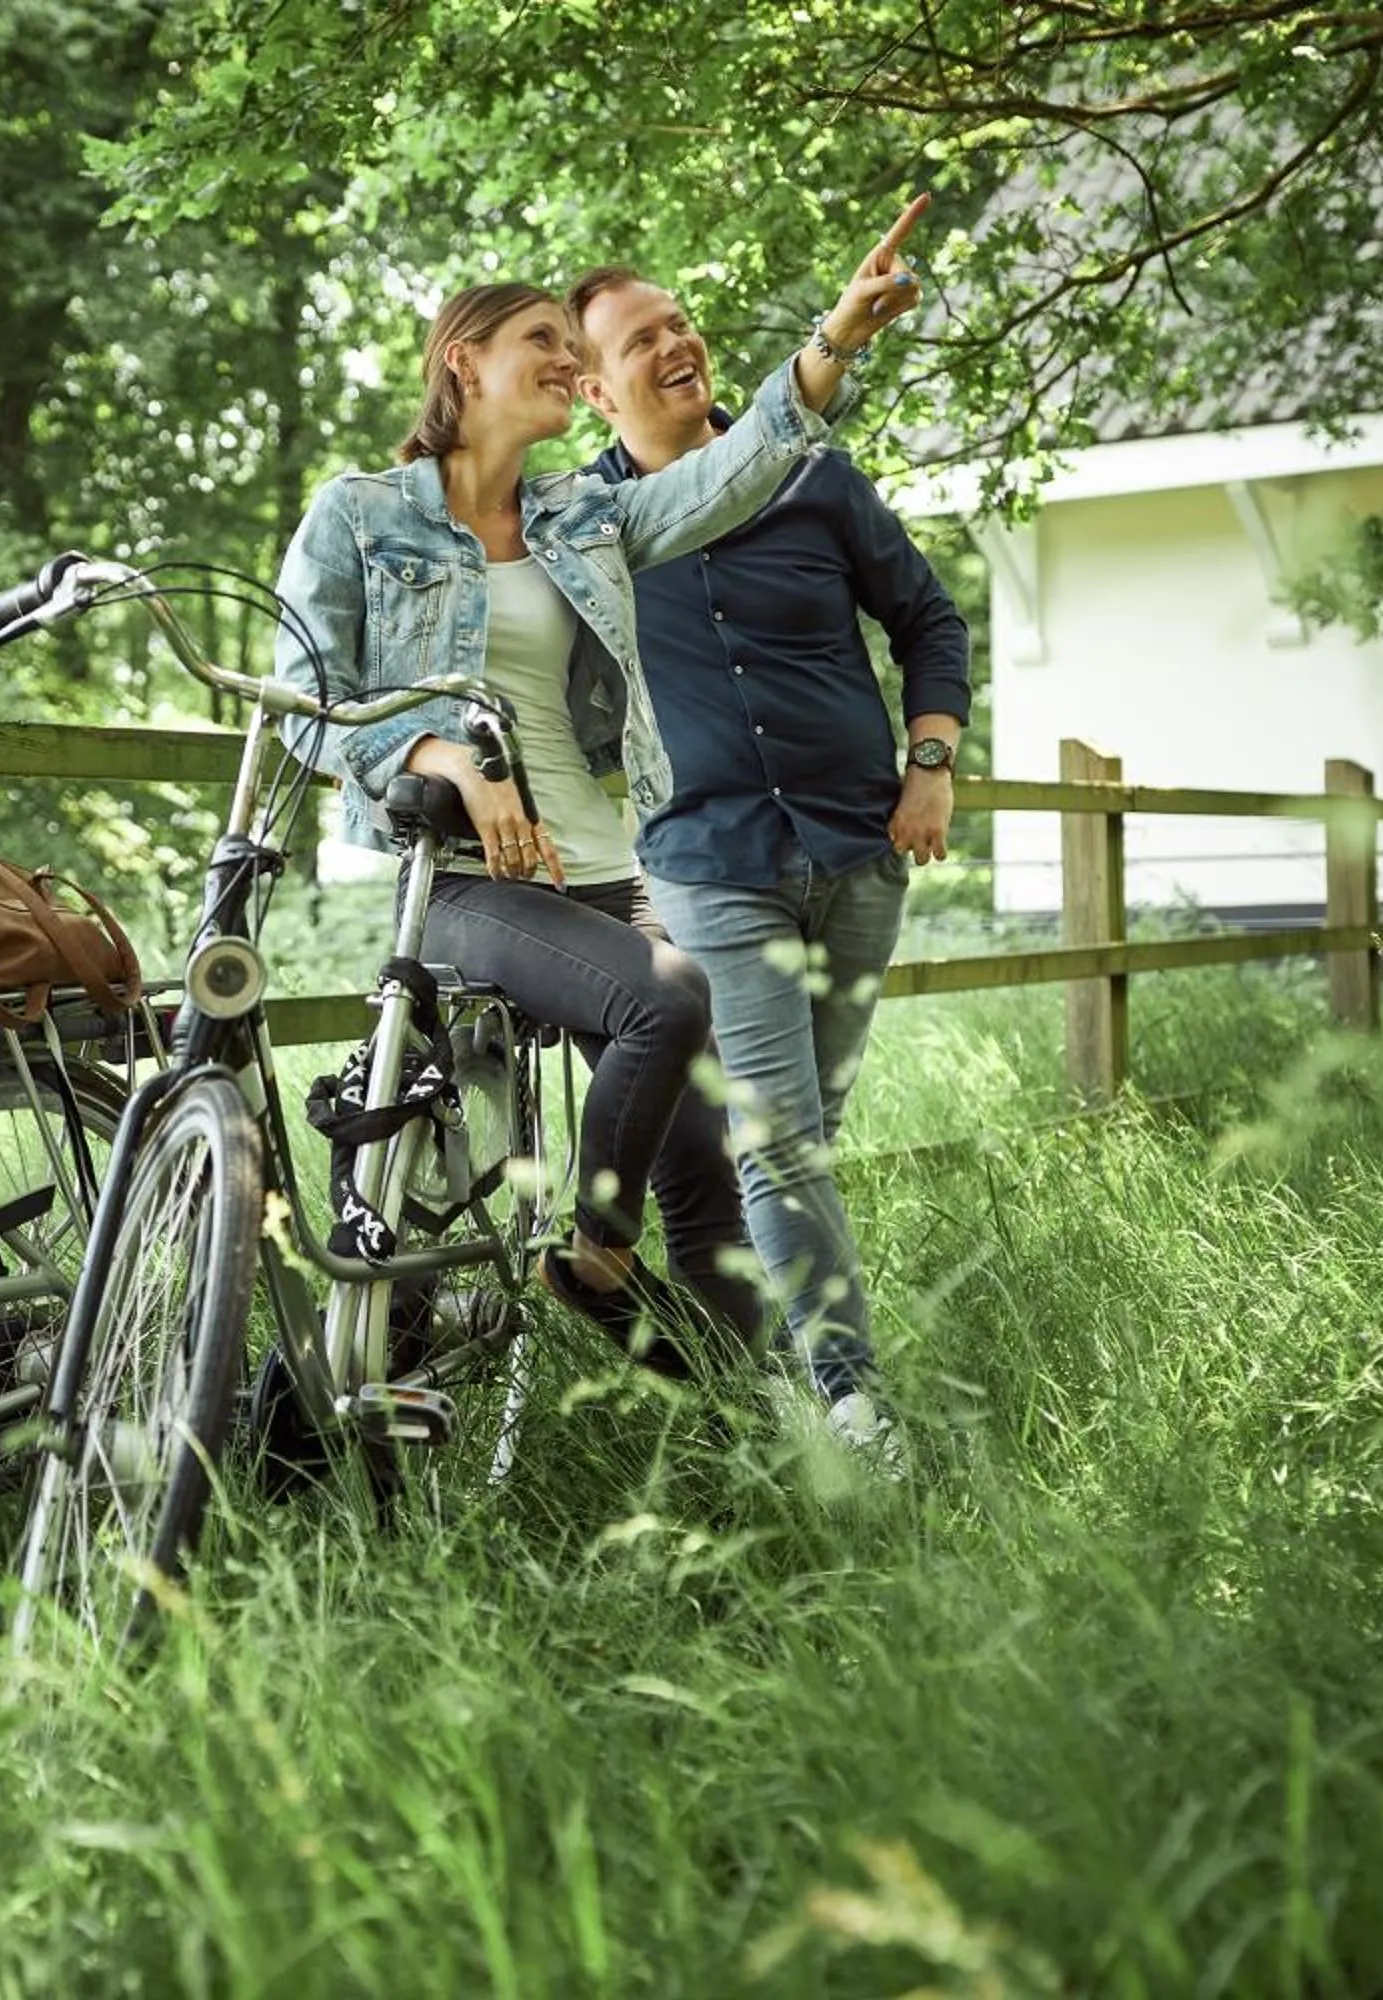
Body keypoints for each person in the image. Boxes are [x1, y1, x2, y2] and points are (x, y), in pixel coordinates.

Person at [270, 203, 929, 1374]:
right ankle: (595, 1260)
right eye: (544, 344)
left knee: (714, 1168)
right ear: (462, 362)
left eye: (577, 356)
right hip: (467, 885)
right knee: (667, 996)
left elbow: (732, 470)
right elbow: (308, 699)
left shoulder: (584, 515)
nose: (568, 369)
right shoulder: (360, 515)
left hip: (609, 871)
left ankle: (735, 1434)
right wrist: (447, 760)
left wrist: (835, 338)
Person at [565, 257, 974, 1447]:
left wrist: (932, 763)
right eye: (642, 339)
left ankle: (761, 1372)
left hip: (859, 851)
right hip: (709, 866)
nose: (678, 344)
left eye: (680, 322)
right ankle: (855, 1401)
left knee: (806, 1138)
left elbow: (928, 618)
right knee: (782, 1141)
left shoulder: (810, 474)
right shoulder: (588, 525)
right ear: (593, 389)